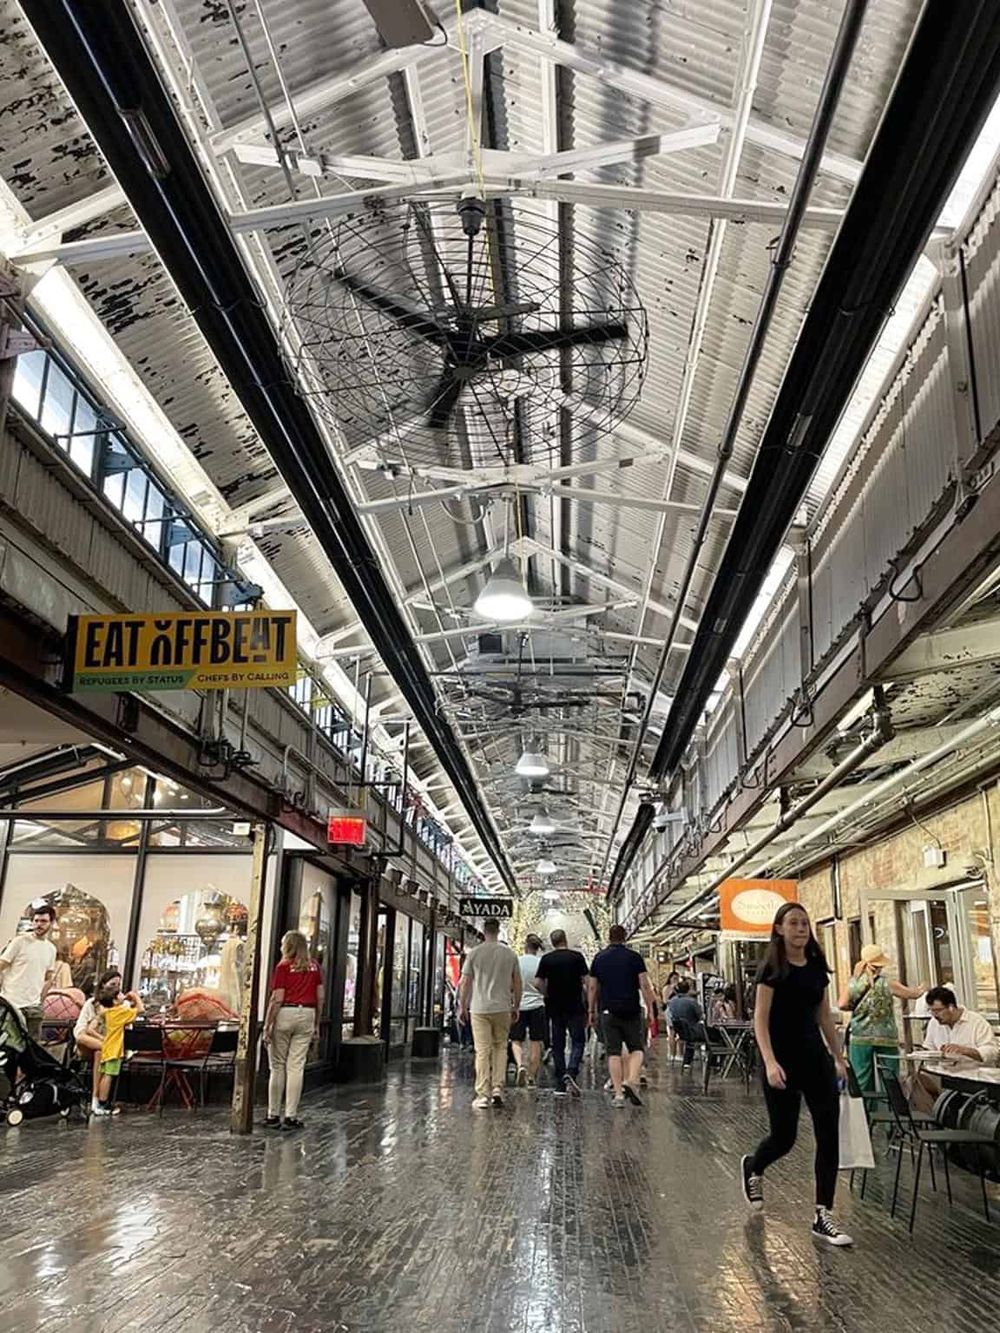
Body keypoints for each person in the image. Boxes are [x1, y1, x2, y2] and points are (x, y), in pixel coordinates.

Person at [740, 903, 852, 1247]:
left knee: (828, 1134)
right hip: (782, 1061)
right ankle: (754, 1166)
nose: (801, 928)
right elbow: (760, 1018)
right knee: (784, 1137)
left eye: (804, 923)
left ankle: (823, 1214)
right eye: (793, 923)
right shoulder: (772, 969)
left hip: (815, 1060)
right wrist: (770, 1061)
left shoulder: (817, 968)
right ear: (779, 929)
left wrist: (838, 1056)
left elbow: (824, 1017)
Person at [838, 944, 924, 1096]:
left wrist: (859, 1010)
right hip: (886, 1037)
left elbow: (842, 1004)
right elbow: (913, 994)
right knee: (890, 1079)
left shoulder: (854, 983)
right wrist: (923, 987)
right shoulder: (888, 983)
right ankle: (891, 1113)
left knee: (862, 1080)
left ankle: (867, 1115)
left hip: (860, 1037)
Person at [588, 924, 658, 1107]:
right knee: (637, 1048)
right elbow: (644, 985)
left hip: (608, 1010)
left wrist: (590, 1010)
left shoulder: (599, 958)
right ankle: (631, 1080)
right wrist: (651, 1008)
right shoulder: (634, 957)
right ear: (625, 937)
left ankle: (618, 1094)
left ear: (609, 937)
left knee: (613, 1052)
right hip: (631, 1009)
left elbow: (593, 987)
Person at [263, 930, 323, 1130]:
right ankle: (291, 1115)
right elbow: (320, 996)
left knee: (277, 1065)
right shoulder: (314, 967)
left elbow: (277, 998)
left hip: (285, 1013)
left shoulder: (283, 967)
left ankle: (273, 1114)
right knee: (296, 1066)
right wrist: (316, 1023)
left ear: (287, 946)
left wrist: (268, 1024)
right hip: (307, 1013)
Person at [458, 919, 521, 1109]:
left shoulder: (474, 954)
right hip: (502, 1007)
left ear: (483, 931)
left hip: (479, 1008)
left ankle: (483, 1094)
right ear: (499, 931)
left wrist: (462, 1006)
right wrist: (516, 1005)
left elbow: (465, 982)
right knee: (500, 1047)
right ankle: (497, 1088)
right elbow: (517, 983)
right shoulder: (509, 954)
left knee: (482, 1050)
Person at [534, 928, 589, 1097]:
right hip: (575, 1006)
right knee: (578, 1041)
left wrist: (546, 994)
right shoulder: (577, 957)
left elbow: (537, 982)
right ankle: (571, 1072)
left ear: (552, 942)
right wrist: (587, 1002)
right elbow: (586, 982)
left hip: (554, 1007)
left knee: (558, 1044)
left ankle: (560, 1082)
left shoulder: (547, 959)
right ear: (565, 939)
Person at [0, 902, 57, 1044]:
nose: (39, 924)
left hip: (33, 1007)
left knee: (31, 1049)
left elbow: (48, 977)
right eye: (36, 921)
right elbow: (2, 965)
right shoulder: (20, 941)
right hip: (12, 1003)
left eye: (43, 921)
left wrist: (40, 1000)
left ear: (51, 923)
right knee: (10, 1046)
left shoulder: (51, 949)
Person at [90, 986, 143, 1115]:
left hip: (107, 1047)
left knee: (104, 1075)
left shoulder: (109, 1013)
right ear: (114, 1001)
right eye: (119, 994)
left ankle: (101, 1103)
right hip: (115, 1049)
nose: (122, 995)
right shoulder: (119, 1013)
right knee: (109, 1075)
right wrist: (135, 997)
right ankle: (103, 1104)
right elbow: (141, 1010)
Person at [922, 986, 999, 1064]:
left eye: (938, 1011)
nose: (935, 1015)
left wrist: (965, 1051)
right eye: (931, 1011)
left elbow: (993, 1052)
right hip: (943, 1073)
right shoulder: (934, 1023)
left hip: (972, 1073)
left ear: (951, 1007)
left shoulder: (977, 1022)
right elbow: (929, 1048)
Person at [511, 934, 546, 1087]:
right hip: (537, 1005)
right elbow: (544, 984)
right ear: (537, 948)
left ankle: (520, 1065)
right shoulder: (541, 963)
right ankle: (531, 1075)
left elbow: (511, 984)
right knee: (536, 1041)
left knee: (516, 1039)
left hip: (519, 1005)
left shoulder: (517, 961)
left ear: (525, 945)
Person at [74, 968, 123, 1065]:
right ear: (103, 985)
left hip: (111, 1041)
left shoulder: (122, 1005)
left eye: (118, 985)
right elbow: (81, 1029)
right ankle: (109, 1049)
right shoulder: (91, 1004)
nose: (116, 988)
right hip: (92, 1043)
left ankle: (109, 1049)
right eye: (112, 984)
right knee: (81, 1038)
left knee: (99, 1053)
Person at [667, 979, 703, 1069]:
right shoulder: (692, 1002)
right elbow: (700, 1016)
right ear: (688, 989)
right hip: (693, 1030)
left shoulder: (672, 1001)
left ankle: (675, 1056)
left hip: (680, 1031)